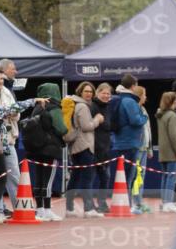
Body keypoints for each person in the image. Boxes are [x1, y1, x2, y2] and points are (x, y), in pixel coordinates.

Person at [21, 83, 67, 221]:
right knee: (47, 181)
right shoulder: (54, 108)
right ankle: (47, 210)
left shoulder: (37, 107)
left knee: (39, 180)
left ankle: (40, 209)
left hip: (36, 149)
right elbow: (62, 129)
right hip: (50, 148)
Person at [65, 81, 104, 217]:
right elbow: (87, 126)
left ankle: (69, 209)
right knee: (86, 178)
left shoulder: (76, 104)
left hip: (75, 146)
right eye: (86, 91)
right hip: (84, 146)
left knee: (75, 178)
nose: (89, 94)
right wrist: (97, 120)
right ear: (80, 92)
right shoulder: (82, 106)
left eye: (90, 91)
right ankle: (88, 209)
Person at [109, 73, 148, 201]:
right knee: (128, 176)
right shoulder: (130, 101)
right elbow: (136, 120)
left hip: (119, 141)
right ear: (133, 86)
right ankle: (126, 203)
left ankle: (121, 202)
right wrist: (144, 117)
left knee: (120, 175)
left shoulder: (119, 98)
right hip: (129, 143)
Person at [0, 64, 21, 215]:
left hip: (8, 140)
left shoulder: (7, 92)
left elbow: (17, 113)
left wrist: (7, 113)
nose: (0, 82)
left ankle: (20, 207)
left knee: (14, 174)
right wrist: (6, 113)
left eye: (2, 79)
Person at [156, 91, 176, 212]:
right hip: (172, 151)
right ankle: (168, 203)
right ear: (173, 102)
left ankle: (164, 202)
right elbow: (174, 136)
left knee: (165, 176)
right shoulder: (172, 115)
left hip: (163, 151)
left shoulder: (160, 114)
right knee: (172, 177)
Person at [130, 84, 153, 214]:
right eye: (144, 94)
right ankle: (134, 203)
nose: (145, 97)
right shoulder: (135, 109)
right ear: (139, 96)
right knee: (135, 175)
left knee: (141, 176)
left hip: (144, 148)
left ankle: (139, 202)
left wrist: (149, 148)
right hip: (137, 148)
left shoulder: (143, 109)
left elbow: (148, 130)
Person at [91, 82, 112, 213]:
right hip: (93, 148)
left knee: (106, 177)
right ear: (97, 93)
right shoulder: (93, 107)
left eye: (108, 93)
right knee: (91, 178)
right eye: (103, 93)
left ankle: (102, 202)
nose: (106, 95)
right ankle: (89, 205)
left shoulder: (107, 107)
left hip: (105, 148)